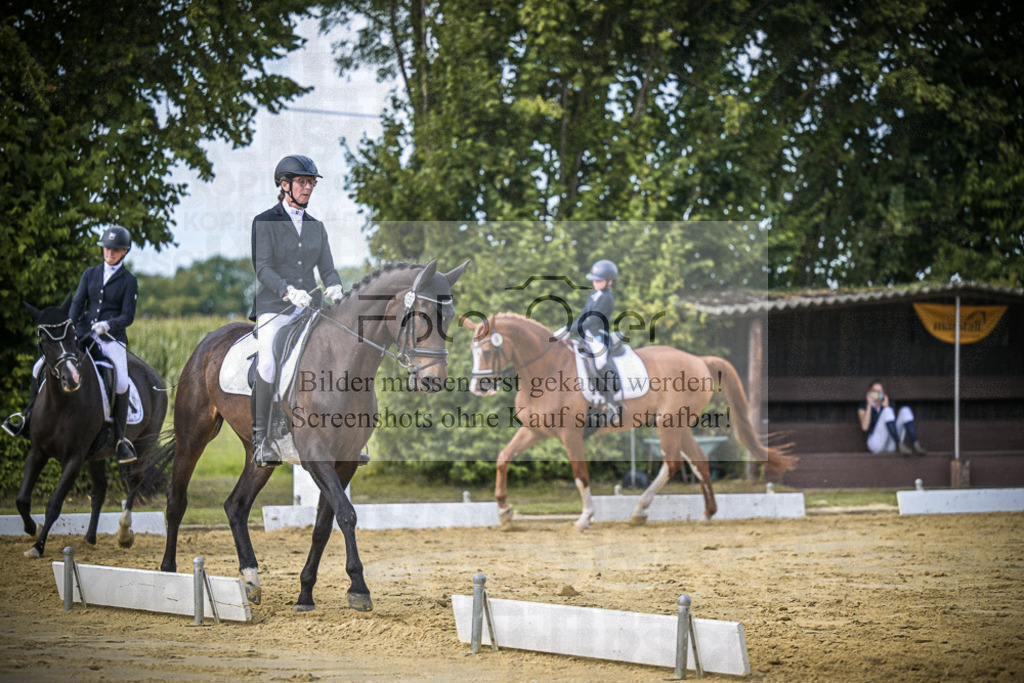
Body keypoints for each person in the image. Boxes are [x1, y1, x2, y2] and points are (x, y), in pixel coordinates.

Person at [3, 226, 140, 464]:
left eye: (115, 250)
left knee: (120, 381)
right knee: (38, 366)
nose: (110, 253)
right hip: (83, 333)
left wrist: (109, 324)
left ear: (124, 252)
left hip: (111, 338)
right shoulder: (90, 273)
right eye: (107, 248)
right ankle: (26, 418)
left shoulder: (129, 280)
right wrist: (70, 326)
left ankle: (120, 440)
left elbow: (128, 316)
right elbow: (77, 303)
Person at [249, 154, 344, 468]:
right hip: (275, 307)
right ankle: (261, 440)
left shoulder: (316, 226)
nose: (308, 188)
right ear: (284, 184)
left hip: (310, 307)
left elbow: (327, 268)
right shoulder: (265, 221)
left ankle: (344, 436)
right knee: (267, 364)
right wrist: (287, 291)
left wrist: (335, 286)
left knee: (339, 354)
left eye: (311, 183)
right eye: (302, 182)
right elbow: (262, 268)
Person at [570, 259, 620, 417]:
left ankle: (611, 403)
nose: (595, 283)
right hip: (586, 335)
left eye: (599, 280)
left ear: (609, 282)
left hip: (599, 336)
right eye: (594, 280)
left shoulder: (607, 299)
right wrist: (568, 329)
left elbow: (592, 320)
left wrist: (573, 330)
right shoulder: (593, 294)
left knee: (599, 362)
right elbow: (584, 315)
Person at [857, 380, 926, 455]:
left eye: (879, 391)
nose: (876, 394)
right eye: (874, 391)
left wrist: (886, 406)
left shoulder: (886, 406)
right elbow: (864, 427)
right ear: (869, 392)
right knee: (887, 411)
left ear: (883, 394)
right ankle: (898, 444)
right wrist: (869, 405)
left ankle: (915, 444)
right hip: (875, 444)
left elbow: (892, 425)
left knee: (905, 410)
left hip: (891, 445)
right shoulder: (863, 406)